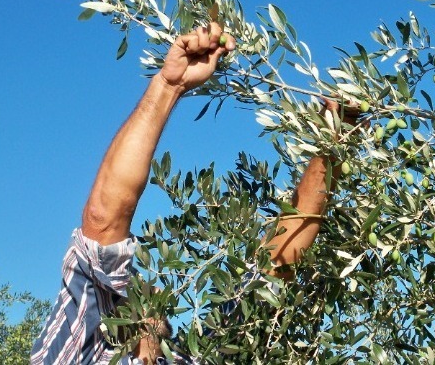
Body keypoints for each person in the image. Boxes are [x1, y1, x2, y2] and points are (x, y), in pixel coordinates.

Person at [30, 22, 357, 364]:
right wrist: (169, 85)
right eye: (138, 285)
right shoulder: (75, 350)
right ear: (117, 313)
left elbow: (274, 263)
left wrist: (334, 138)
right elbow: (102, 219)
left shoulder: (201, 357)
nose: (151, 286)